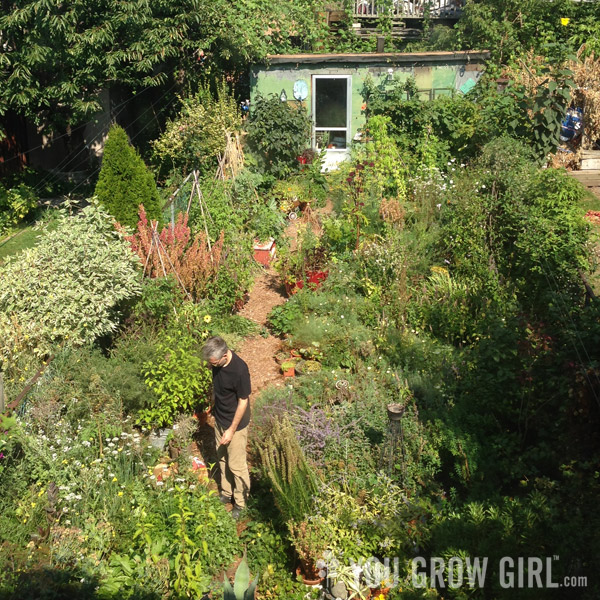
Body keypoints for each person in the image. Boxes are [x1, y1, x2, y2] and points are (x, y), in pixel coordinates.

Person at [202, 336, 251, 519]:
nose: (211, 366)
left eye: (213, 363)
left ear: (224, 355)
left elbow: (243, 402)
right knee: (222, 458)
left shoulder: (240, 370)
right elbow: (219, 387)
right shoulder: (217, 364)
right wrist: (212, 404)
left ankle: (240, 502)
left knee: (236, 466)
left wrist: (231, 429)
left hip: (235, 424)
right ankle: (227, 492)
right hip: (220, 419)